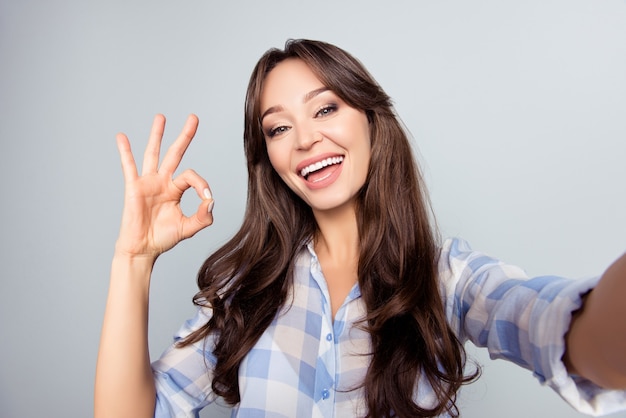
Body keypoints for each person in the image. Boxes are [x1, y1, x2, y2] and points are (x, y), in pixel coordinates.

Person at [95, 39, 626, 418]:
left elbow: (559, 325)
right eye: (279, 128)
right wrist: (134, 261)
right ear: (269, 159)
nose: (304, 139)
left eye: (326, 108)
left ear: (371, 121)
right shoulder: (245, 293)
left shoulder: (444, 278)